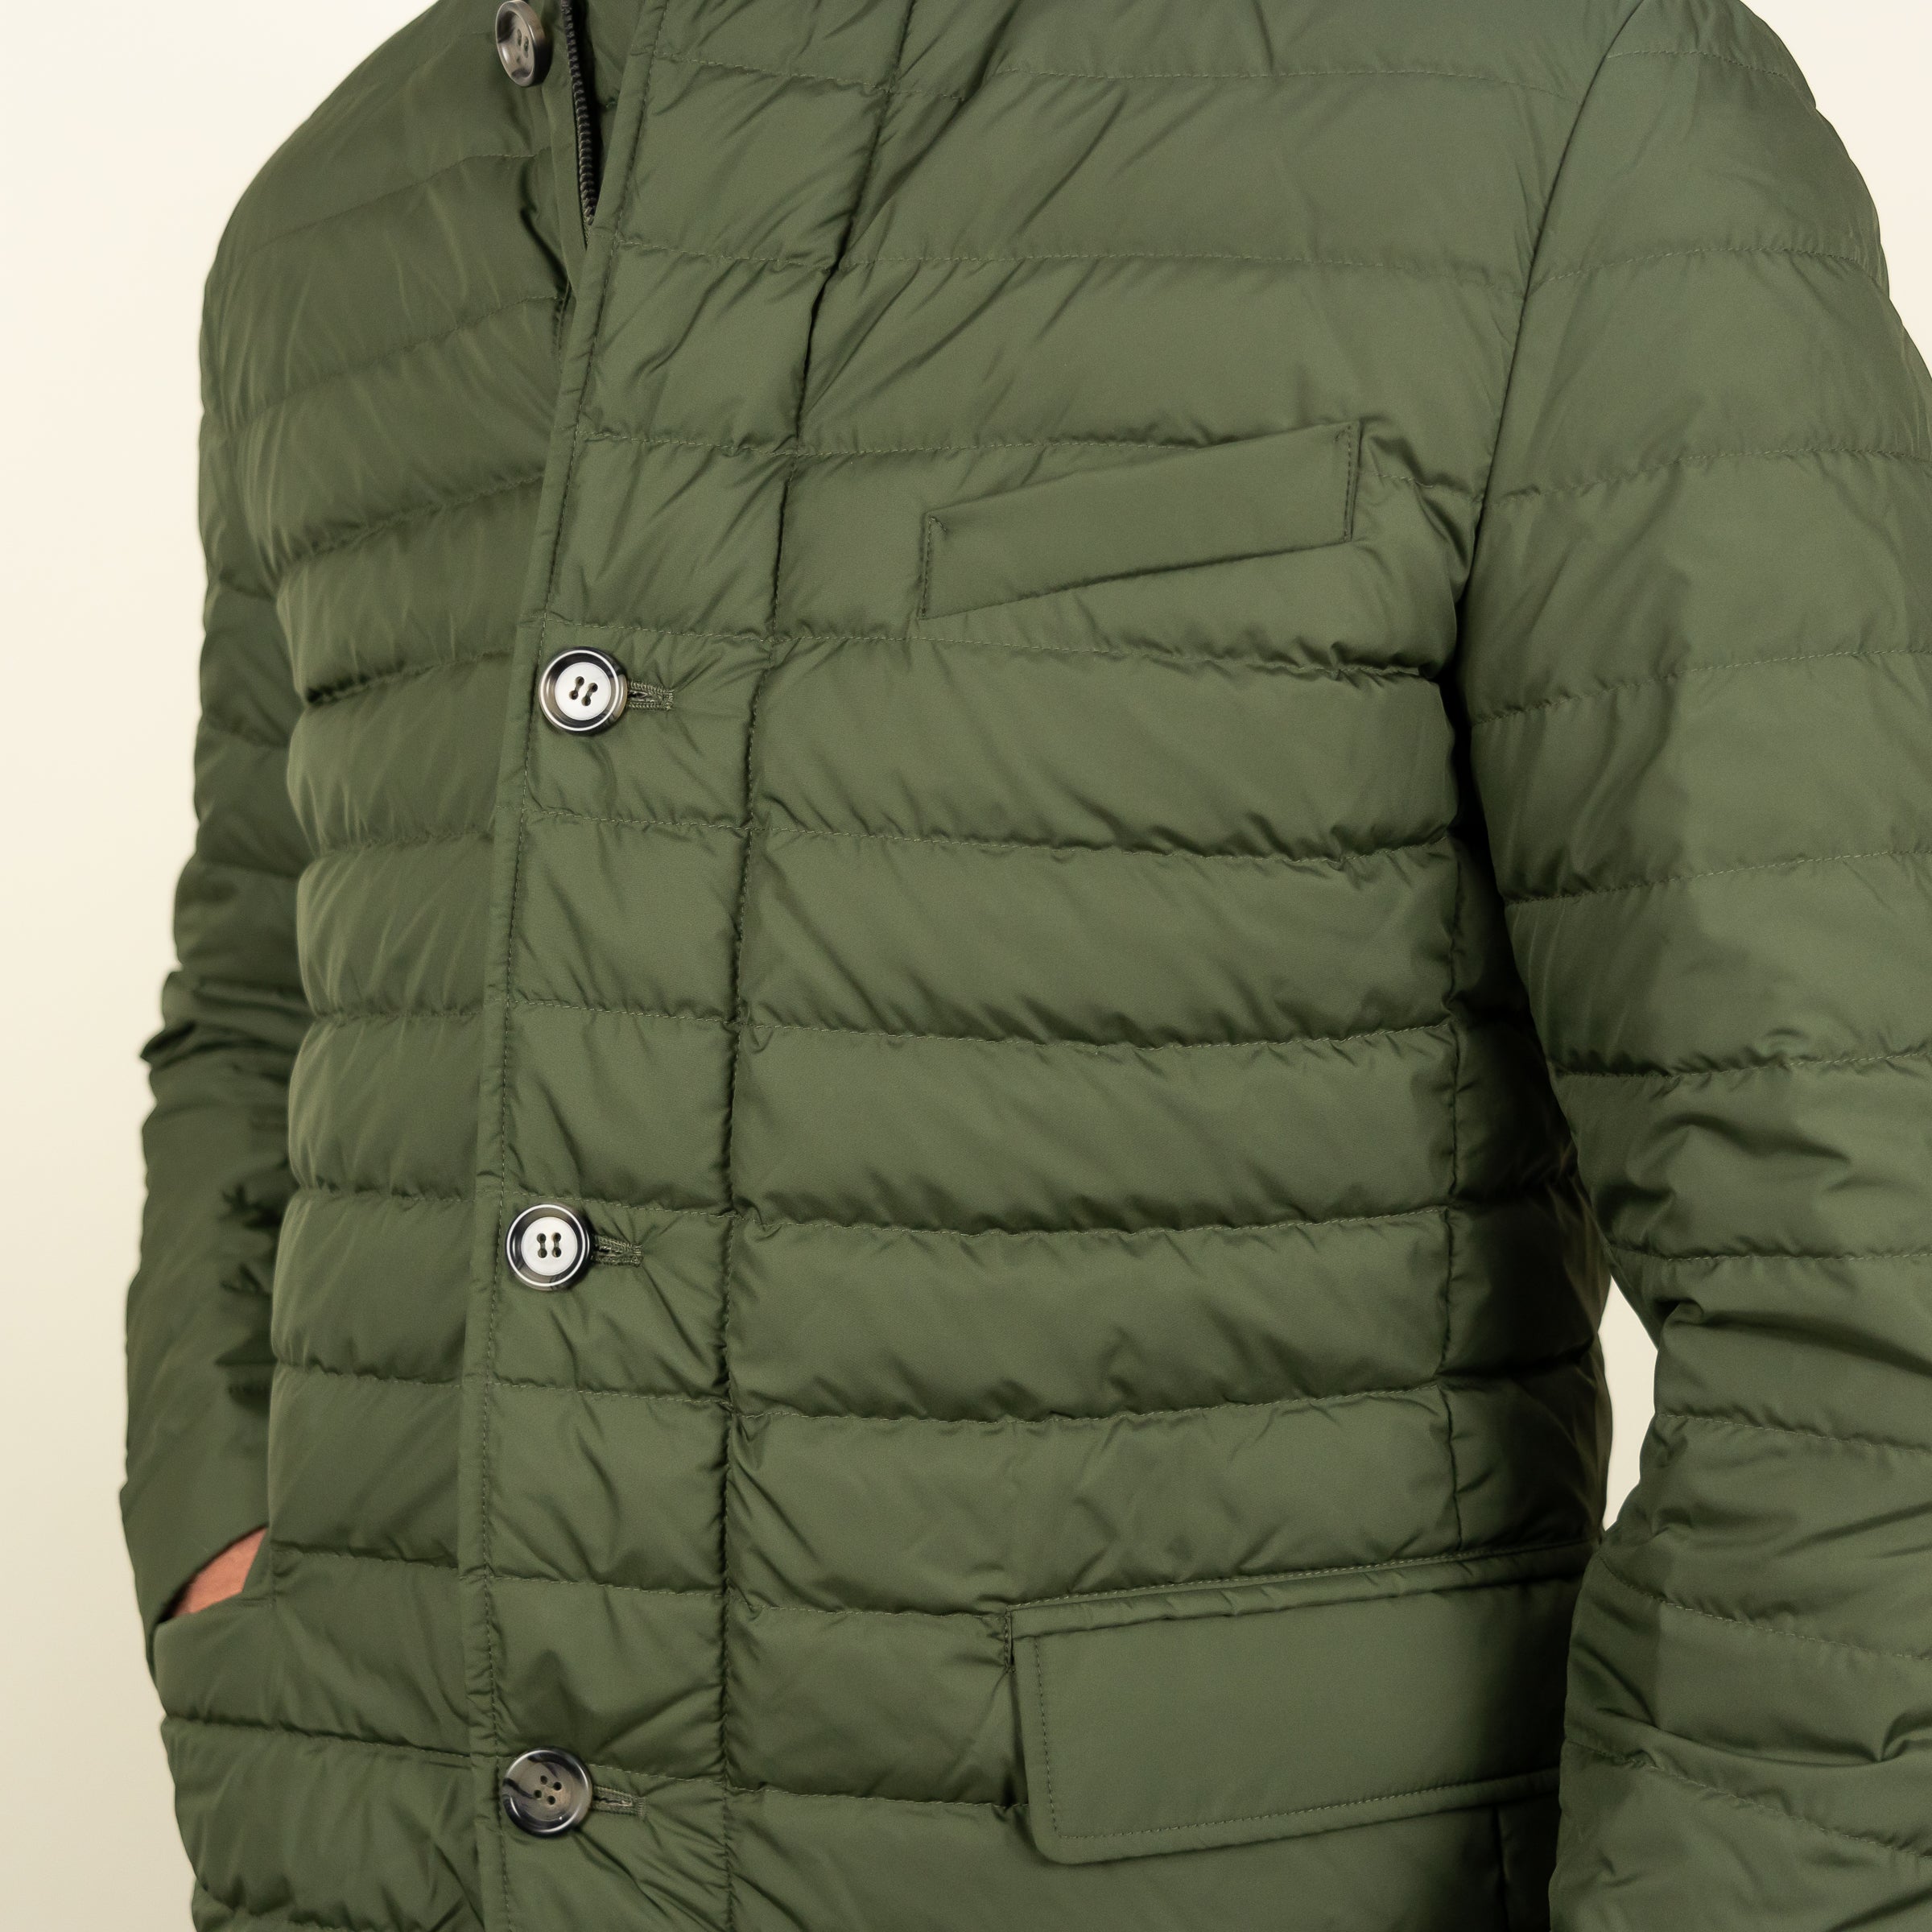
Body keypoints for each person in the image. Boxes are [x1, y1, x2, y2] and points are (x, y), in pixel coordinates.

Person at [126, 0, 1932, 1926]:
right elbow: (266, 1012)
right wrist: (227, 1576)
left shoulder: (1562, 109)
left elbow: (1862, 1261)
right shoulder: (334, 230)